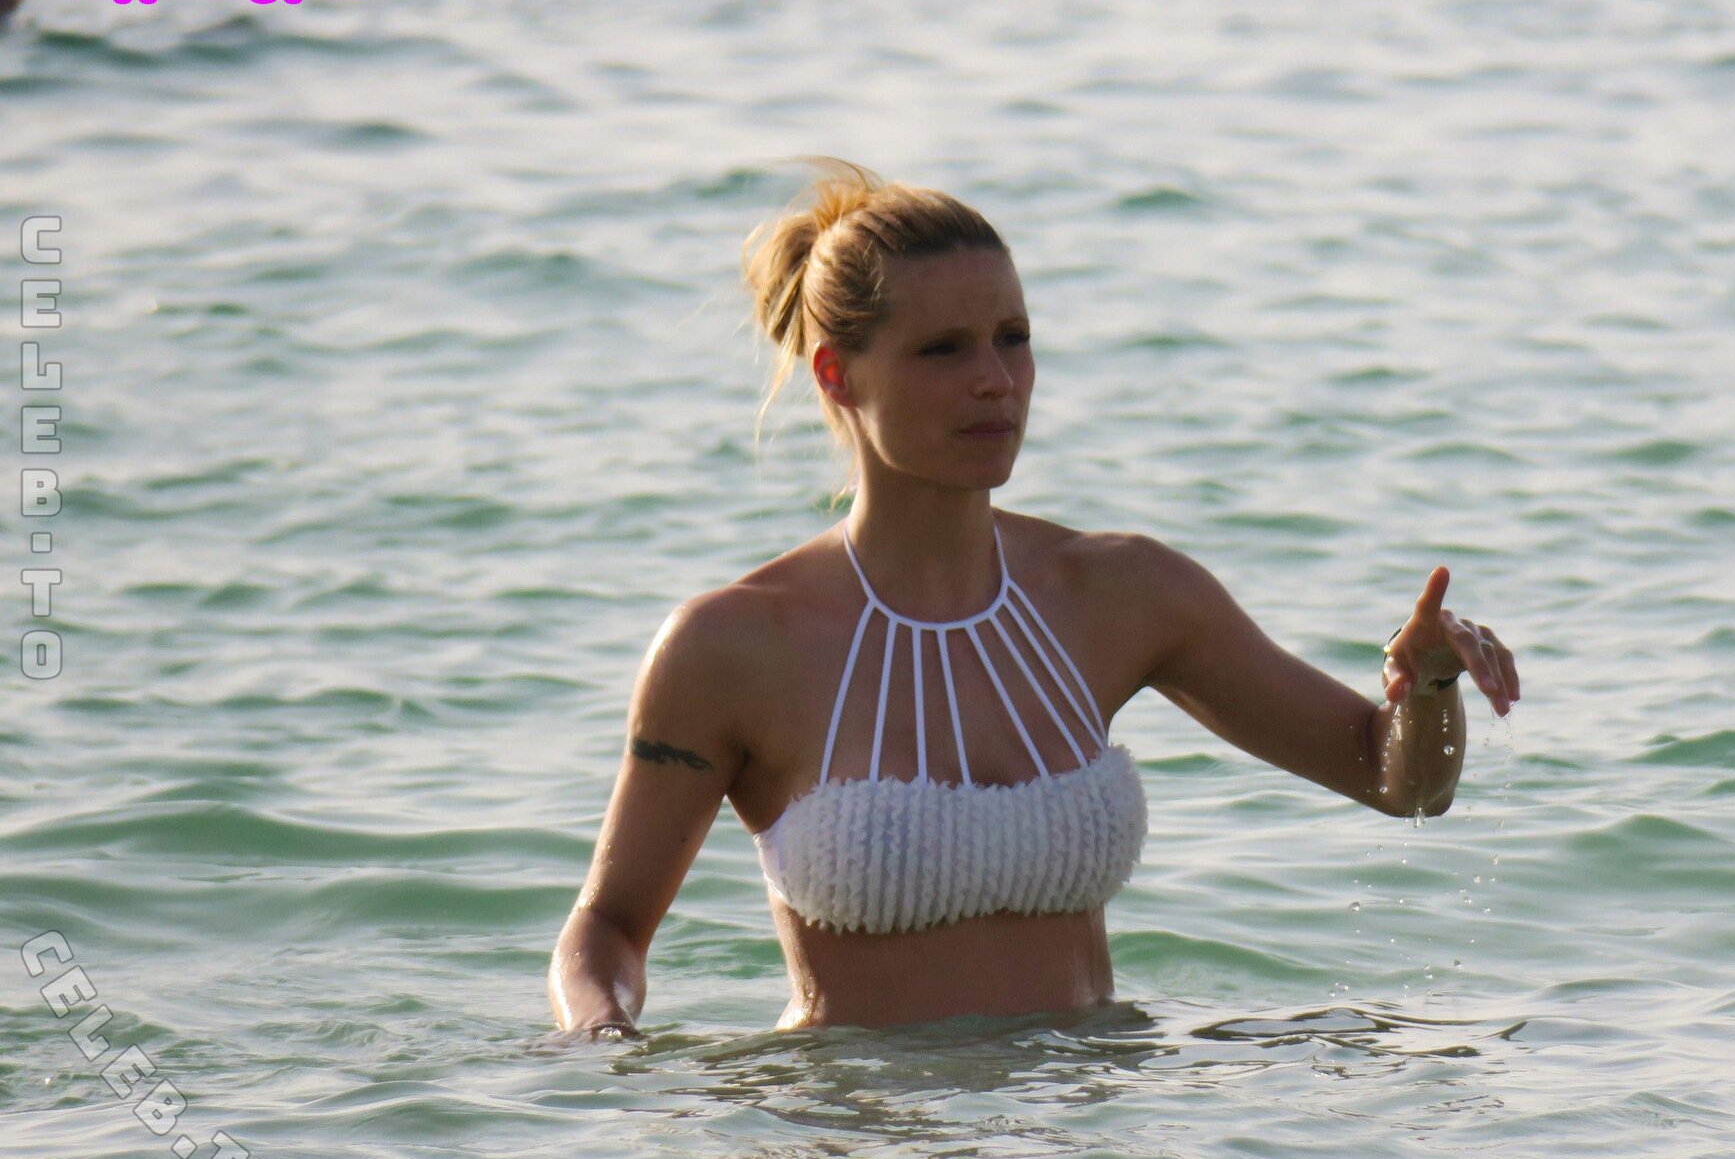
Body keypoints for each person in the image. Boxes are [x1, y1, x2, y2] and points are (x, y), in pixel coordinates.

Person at [547, 158, 1521, 1036]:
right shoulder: (734, 646)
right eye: (944, 350)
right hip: (861, 1139)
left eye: (1012, 339)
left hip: (1091, 1135)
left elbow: (1400, 781)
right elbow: (605, 931)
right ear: (837, 375)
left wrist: (1428, 684)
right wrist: (605, 1046)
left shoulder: (1123, 593)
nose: (995, 382)